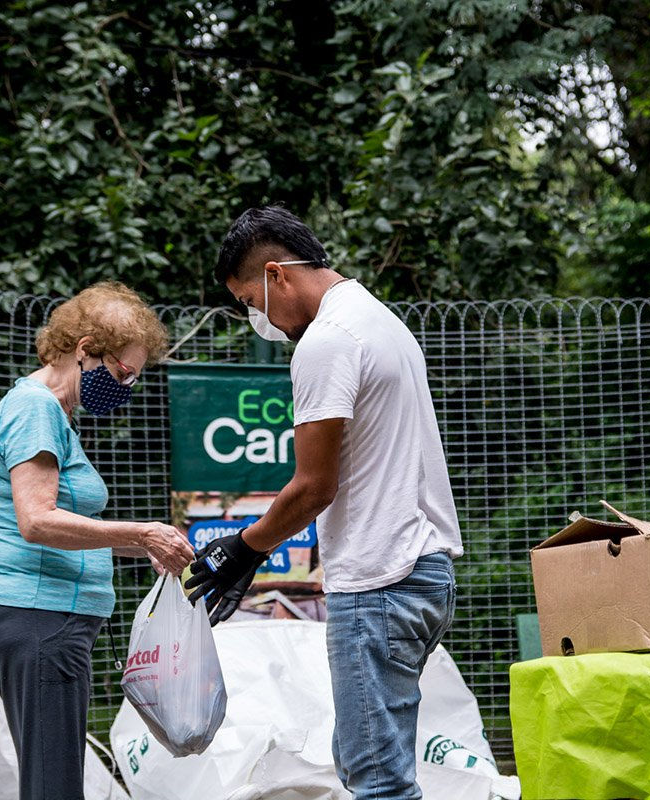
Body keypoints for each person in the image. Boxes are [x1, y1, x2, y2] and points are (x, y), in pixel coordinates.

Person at [185, 206, 464, 800]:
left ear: (277, 275)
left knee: (377, 780)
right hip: (424, 572)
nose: (258, 319)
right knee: (366, 760)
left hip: (379, 580)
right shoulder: (378, 319)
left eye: (251, 302)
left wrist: (244, 548)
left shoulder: (327, 341)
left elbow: (315, 486)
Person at [0, 281, 194, 800]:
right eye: (124, 372)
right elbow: (37, 521)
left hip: (45, 619)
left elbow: (63, 527)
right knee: (55, 788)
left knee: (52, 781)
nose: (127, 387)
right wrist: (142, 532)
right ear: (86, 349)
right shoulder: (36, 409)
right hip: (37, 617)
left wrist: (149, 547)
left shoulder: (53, 416)